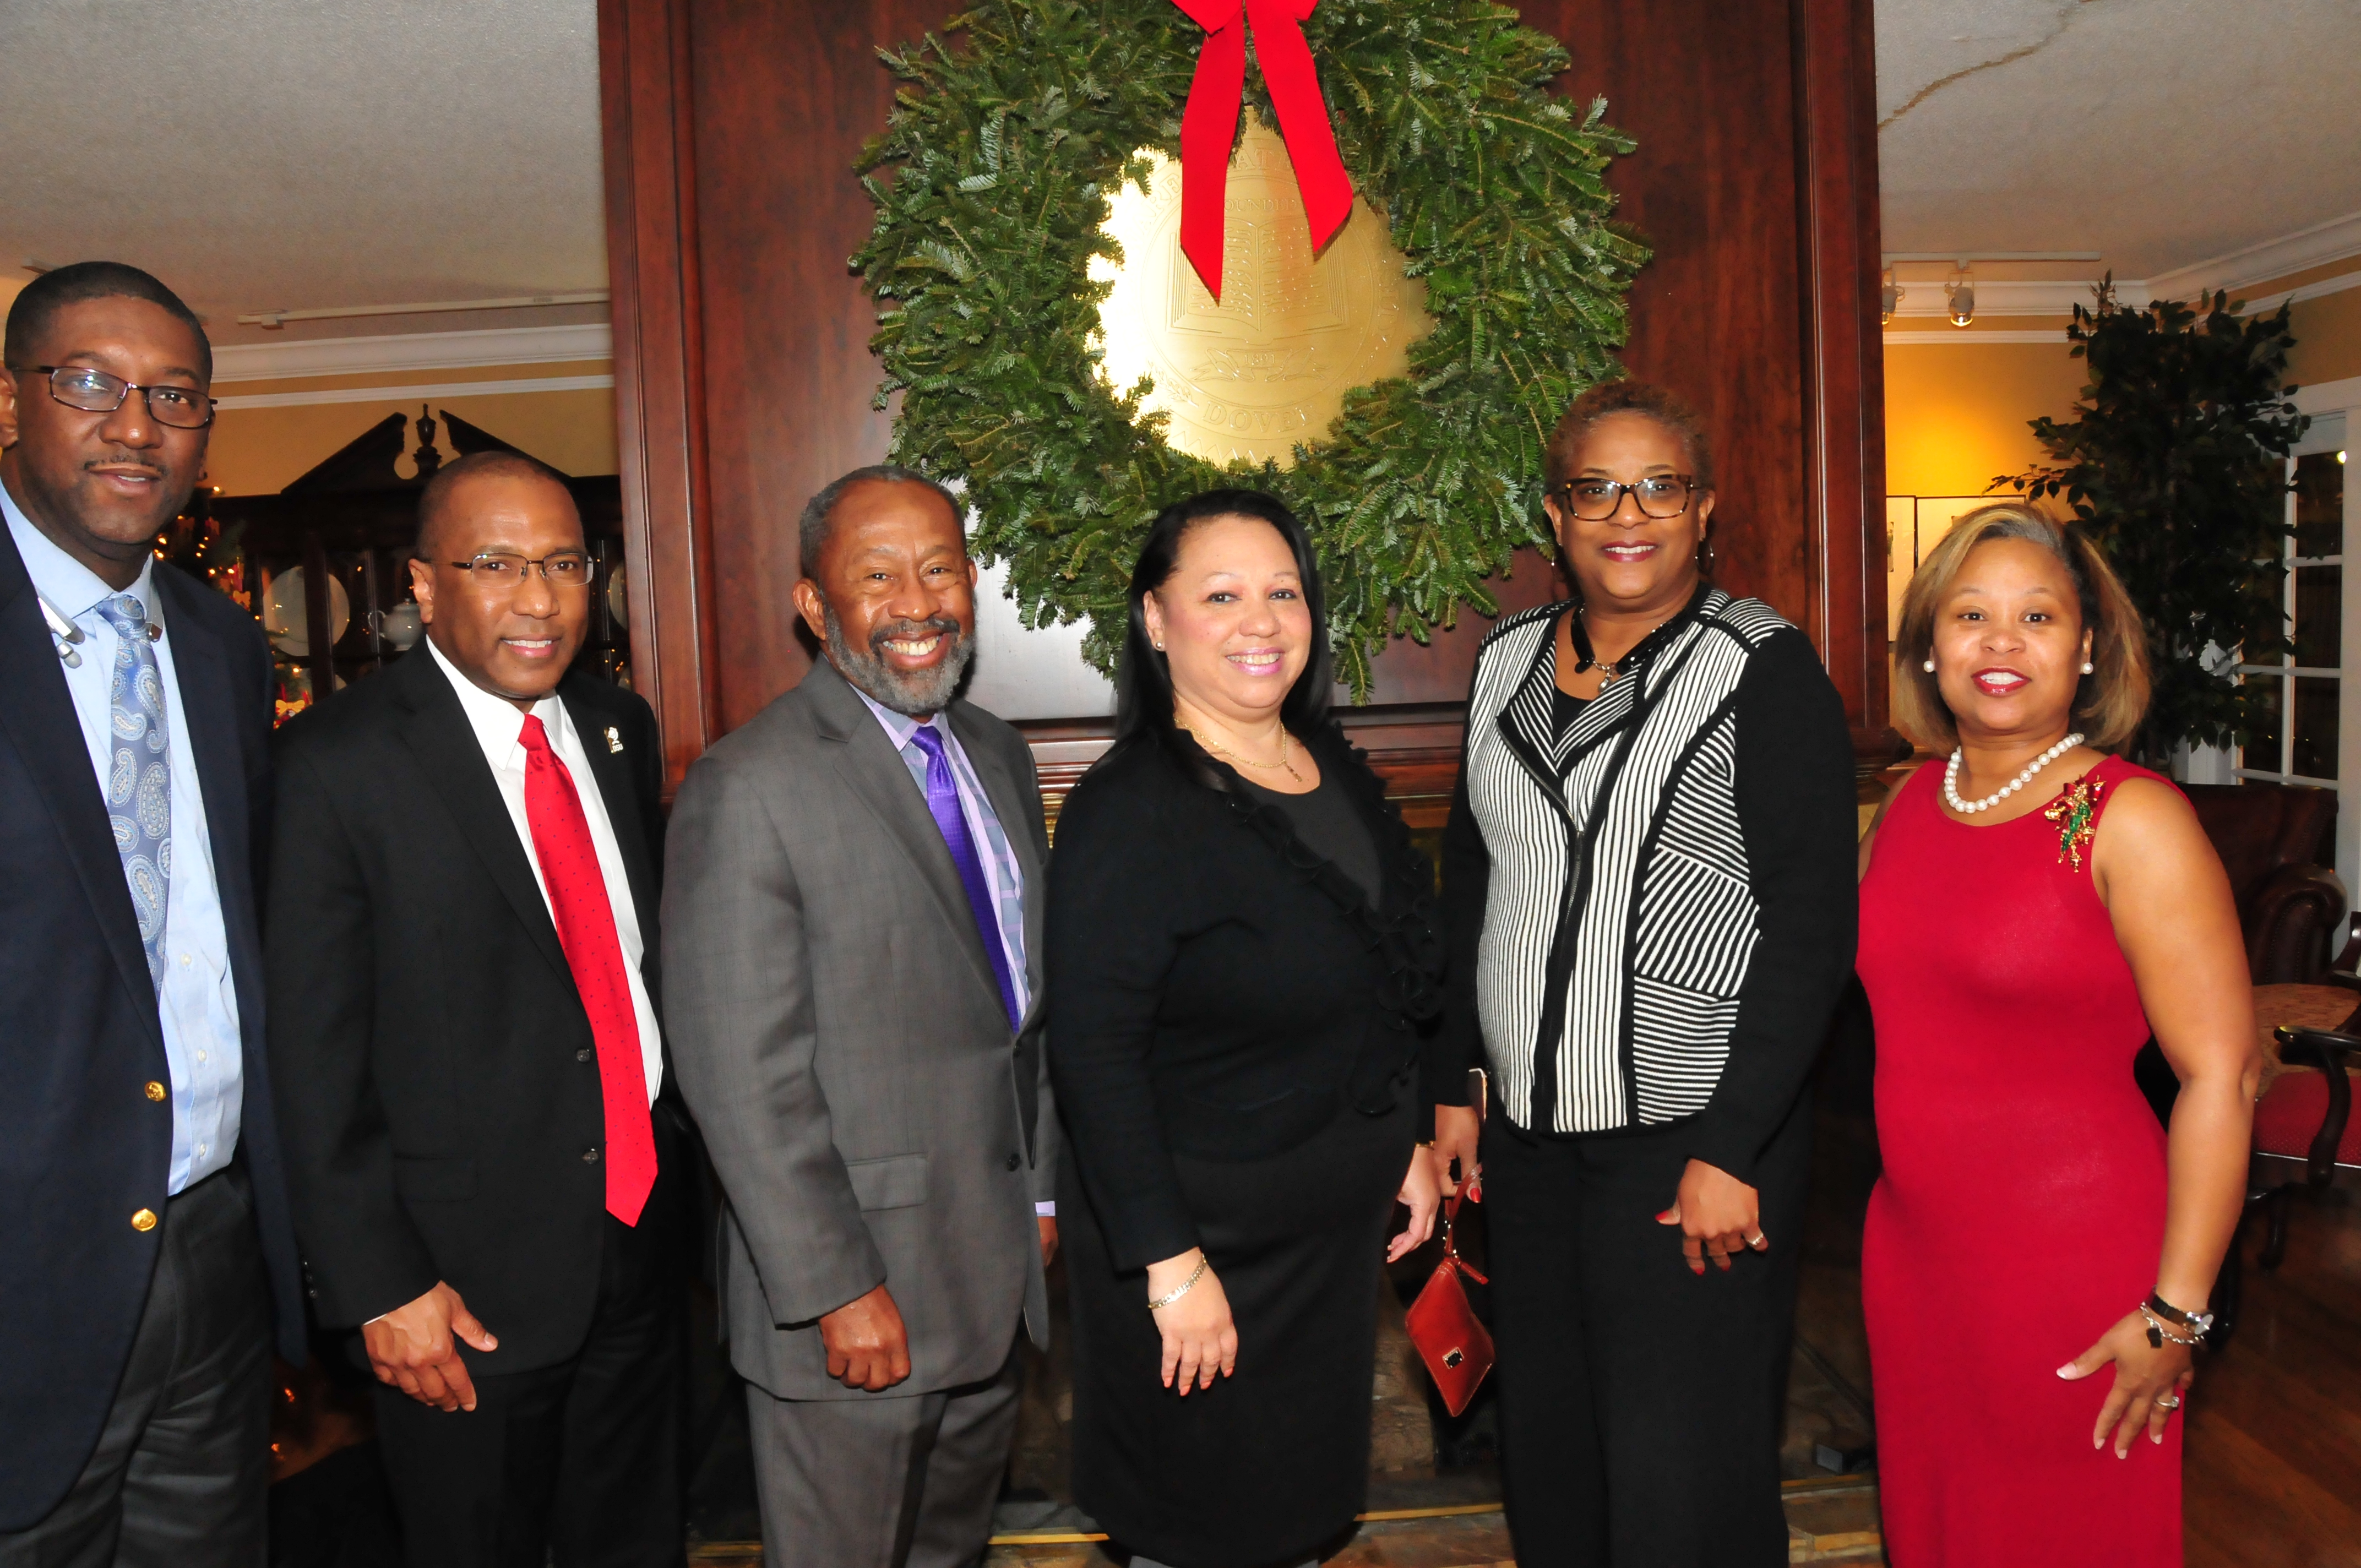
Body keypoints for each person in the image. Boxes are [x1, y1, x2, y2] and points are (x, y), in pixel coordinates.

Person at [1430, 381, 1858, 1565]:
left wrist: (1732, 1146)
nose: (1628, 512)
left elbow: (1810, 928)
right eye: (1595, 487)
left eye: (1658, 485)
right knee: (1555, 1459)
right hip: (1527, 1150)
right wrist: (1456, 1079)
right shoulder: (1505, 660)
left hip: (1688, 1148)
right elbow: (1472, 879)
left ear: (1702, 508)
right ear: (1555, 515)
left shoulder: (1759, 667)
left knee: (1686, 1482)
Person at [265, 451, 688, 1567]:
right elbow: (312, 1059)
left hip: (639, 1243)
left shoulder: (615, 725)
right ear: (422, 583)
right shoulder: (334, 764)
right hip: (460, 1286)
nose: (539, 597)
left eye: (561, 562)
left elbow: (626, 972)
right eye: (494, 564)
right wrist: (378, 1282)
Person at [662, 465, 1059, 1568]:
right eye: (876, 575)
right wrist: (837, 1286)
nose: (916, 602)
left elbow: (1019, 1012)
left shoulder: (997, 754)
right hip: (852, 1302)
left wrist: (1036, 1188)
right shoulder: (748, 786)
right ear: (814, 605)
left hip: (987, 1284)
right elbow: (740, 1075)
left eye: (939, 568)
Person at [1047, 488, 1445, 1568]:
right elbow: (1091, 1053)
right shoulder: (1128, 810)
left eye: (1282, 591)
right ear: (1153, 618)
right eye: (1219, 593)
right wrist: (1169, 1265)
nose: (1258, 619)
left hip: (1320, 1249)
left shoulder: (1329, 770)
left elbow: (1383, 973)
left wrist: (1404, 1134)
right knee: (1202, 1529)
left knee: (1293, 1518)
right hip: (1199, 1256)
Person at [1857, 504, 2255, 1567]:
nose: (1999, 641)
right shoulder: (1902, 807)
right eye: (1969, 614)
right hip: (1916, 1266)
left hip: (2078, 1273)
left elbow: (2225, 1074)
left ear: (2087, 649)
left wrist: (2177, 1314)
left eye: (2038, 615)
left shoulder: (2133, 818)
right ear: (1928, 646)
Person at [0, 262, 307, 1561]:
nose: (137, 425)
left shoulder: (222, 641)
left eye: (174, 395)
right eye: (91, 383)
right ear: (14, 402)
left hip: (214, 1252)